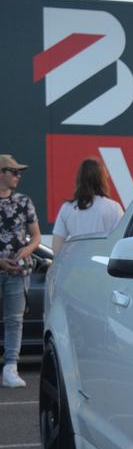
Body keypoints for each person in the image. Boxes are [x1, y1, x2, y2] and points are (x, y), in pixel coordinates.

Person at [0, 154, 41, 388]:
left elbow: (35, 236)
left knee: (14, 320)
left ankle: (11, 368)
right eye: (13, 171)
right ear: (1, 173)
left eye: (19, 172)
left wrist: (27, 250)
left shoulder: (24, 201)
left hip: (18, 271)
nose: (18, 176)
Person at [52, 158, 125, 253]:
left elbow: (56, 247)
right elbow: (121, 242)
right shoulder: (114, 208)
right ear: (102, 179)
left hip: (75, 264)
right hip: (101, 264)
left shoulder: (67, 208)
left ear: (79, 179)